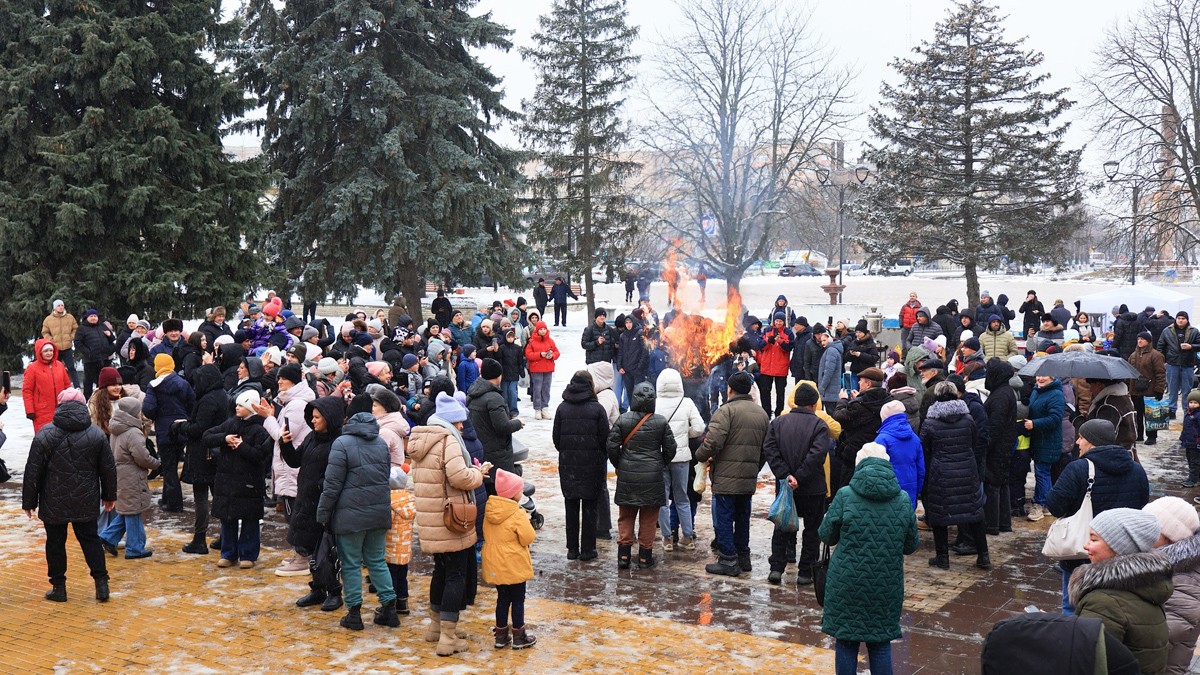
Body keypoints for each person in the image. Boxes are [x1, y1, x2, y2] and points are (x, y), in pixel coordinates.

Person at [820, 445, 919, 675]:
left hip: (847, 583)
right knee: (880, 642)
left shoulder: (845, 495)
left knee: (846, 641)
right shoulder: (903, 499)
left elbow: (826, 535)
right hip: (886, 584)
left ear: (859, 465)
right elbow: (911, 545)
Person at [409, 392, 489, 656]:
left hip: (431, 518)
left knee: (441, 571)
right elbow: (460, 478)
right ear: (450, 422)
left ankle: (435, 627)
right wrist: (478, 473)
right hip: (451, 520)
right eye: (459, 422)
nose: (462, 426)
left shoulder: (421, 440)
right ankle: (448, 636)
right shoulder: (448, 442)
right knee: (456, 574)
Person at [22, 389, 118, 602]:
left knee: (55, 543)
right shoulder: (96, 434)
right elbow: (108, 469)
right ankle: (102, 585)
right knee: (91, 540)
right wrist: (109, 496)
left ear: (60, 406)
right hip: (86, 499)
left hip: (53, 500)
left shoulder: (45, 434)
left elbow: (33, 470)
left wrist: (29, 502)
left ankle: (59, 588)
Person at [1048, 419, 1150, 614]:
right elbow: (1141, 507)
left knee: (1073, 608)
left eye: (1082, 437)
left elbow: (1055, 506)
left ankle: (1075, 642)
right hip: (1122, 556)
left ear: (1092, 441)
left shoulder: (1078, 468)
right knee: (1114, 609)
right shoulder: (1137, 470)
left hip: (1082, 555)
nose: (1078, 442)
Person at [315, 406, 397, 631]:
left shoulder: (341, 444)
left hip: (350, 517)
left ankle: (354, 613)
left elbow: (332, 485)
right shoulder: (381, 444)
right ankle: (389, 607)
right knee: (377, 561)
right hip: (379, 513)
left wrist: (322, 513)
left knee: (351, 564)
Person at [1071, 508, 1173, 674]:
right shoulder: (1145, 585)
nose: (1086, 545)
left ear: (1118, 548)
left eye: (1094, 539)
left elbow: (1085, 661)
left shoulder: (1104, 601)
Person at [697, 372, 769, 577]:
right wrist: (754, 467)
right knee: (743, 516)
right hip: (747, 476)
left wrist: (700, 456)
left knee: (725, 517)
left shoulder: (725, 412)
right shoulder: (761, 414)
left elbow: (713, 442)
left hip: (726, 477)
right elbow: (766, 448)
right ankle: (743, 556)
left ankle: (728, 559)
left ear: (730, 389)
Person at [280, 396, 347, 612]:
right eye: (313, 417)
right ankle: (318, 588)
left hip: (325, 504)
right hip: (306, 502)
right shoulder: (312, 437)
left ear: (330, 418)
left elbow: (338, 474)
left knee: (325, 552)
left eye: (318, 417)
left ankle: (334, 591)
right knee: (310, 548)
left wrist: (321, 485)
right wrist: (286, 443)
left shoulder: (339, 442)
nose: (313, 421)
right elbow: (295, 461)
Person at [763, 382, 830, 585]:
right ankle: (806, 572)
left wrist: (786, 475)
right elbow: (817, 455)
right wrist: (799, 477)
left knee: (782, 526)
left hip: (786, 487)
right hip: (812, 488)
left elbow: (770, 450)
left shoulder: (778, 423)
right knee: (812, 530)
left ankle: (776, 568)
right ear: (813, 404)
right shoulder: (819, 425)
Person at [920, 381, 989, 571]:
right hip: (967, 470)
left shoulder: (930, 422)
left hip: (940, 473)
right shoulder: (968, 419)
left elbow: (924, 448)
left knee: (939, 514)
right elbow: (973, 442)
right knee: (974, 513)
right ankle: (984, 556)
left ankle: (943, 558)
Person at [607, 382, 676, 570]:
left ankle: (623, 557)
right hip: (652, 477)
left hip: (628, 476)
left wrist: (619, 463)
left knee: (626, 516)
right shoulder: (660, 422)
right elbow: (671, 448)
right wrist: (659, 463)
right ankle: (645, 557)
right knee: (648, 518)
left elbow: (612, 446)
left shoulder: (623, 420)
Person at [203, 390, 273, 569]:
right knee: (227, 518)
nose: (237, 407)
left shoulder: (261, 429)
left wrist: (241, 447)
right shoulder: (230, 423)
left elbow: (260, 455)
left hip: (249, 483)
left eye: (241, 405)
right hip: (227, 481)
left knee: (250, 519)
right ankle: (228, 553)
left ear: (250, 407)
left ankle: (248, 554)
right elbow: (207, 436)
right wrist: (224, 438)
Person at [258, 363, 316, 576]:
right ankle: (301, 554)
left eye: (283, 378)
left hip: (292, 469)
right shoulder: (294, 402)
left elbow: (284, 436)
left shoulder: (297, 405)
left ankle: (302, 558)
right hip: (292, 467)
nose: (279, 382)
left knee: (296, 516)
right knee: (295, 513)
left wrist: (268, 418)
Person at [553, 371, 611, 560]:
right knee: (590, 508)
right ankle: (588, 549)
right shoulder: (597, 409)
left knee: (570, 507)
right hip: (592, 466)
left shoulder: (562, 408)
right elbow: (605, 439)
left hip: (569, 467)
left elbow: (557, 439)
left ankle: (572, 549)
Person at [176, 364, 229, 555]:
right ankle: (226, 536)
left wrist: (181, 427)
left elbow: (199, 429)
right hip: (217, 452)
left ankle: (200, 539)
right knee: (219, 496)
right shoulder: (223, 395)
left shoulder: (208, 399)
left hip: (203, 454)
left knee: (201, 498)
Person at [482, 468, 538, 650]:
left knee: (502, 599)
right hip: (514, 564)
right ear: (514, 494)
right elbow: (528, 537)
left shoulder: (490, 511)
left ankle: (500, 636)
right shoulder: (517, 513)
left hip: (496, 563)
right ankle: (519, 637)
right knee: (518, 600)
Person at [98, 397, 159, 560]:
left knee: (127, 510)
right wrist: (156, 464)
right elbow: (142, 457)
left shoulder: (116, 428)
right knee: (133, 511)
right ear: (134, 412)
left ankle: (107, 538)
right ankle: (135, 548)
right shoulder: (133, 432)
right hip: (132, 476)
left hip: (120, 474)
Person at [1145, 496, 1200, 675]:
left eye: (1149, 527)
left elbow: (1165, 634)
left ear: (1170, 536)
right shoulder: (1160, 563)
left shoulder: (1186, 576)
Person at [655, 368, 705, 552]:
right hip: (682, 457)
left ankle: (667, 538)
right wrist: (685, 435)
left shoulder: (655, 403)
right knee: (682, 497)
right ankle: (688, 537)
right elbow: (699, 428)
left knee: (662, 499)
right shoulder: (687, 403)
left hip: (661, 456)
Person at [142, 354, 195, 513]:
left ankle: (174, 503)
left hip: (164, 430)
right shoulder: (183, 383)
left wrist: (160, 415)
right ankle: (167, 498)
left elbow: (148, 409)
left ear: (157, 367)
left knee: (169, 467)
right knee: (172, 464)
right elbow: (192, 404)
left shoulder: (154, 386)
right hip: (182, 428)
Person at [830, 367, 893, 492]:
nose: (858, 383)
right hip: (878, 452)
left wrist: (843, 400)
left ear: (868, 384)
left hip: (854, 454)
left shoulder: (858, 406)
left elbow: (838, 417)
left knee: (848, 490)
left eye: (861, 381)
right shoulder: (888, 401)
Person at [467, 358, 524, 476]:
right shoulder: (494, 398)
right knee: (501, 487)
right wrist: (518, 423)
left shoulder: (473, 393)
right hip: (496, 452)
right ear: (498, 376)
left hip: (481, 448)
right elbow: (502, 426)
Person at [982, 359, 1018, 535]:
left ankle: (992, 524)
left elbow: (995, 426)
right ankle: (1003, 523)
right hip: (1003, 445)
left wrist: (986, 446)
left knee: (993, 484)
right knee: (1001, 484)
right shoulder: (1004, 391)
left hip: (998, 447)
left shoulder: (1000, 395)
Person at [1023, 375, 1064, 523]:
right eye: (1038, 375)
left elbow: (1055, 418)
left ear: (1052, 377)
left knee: (1042, 473)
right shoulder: (1037, 390)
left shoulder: (1056, 394)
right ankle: (1047, 504)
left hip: (1048, 441)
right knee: (1041, 472)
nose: (1040, 379)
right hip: (1038, 439)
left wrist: (1035, 423)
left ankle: (1040, 504)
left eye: (1044, 376)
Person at [874, 400, 923, 510]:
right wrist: (917, 489)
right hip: (910, 490)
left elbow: (876, 470)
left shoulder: (882, 439)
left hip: (889, 492)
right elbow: (921, 469)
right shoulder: (914, 438)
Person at [23, 339, 74, 432]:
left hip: (61, 408)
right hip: (42, 411)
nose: (49, 353)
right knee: (44, 438)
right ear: (40, 352)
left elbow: (67, 386)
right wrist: (29, 410)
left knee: (62, 437)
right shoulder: (32, 368)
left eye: (51, 350)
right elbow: (27, 391)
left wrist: (71, 404)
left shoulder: (59, 365)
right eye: (46, 351)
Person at [1157, 311, 1199, 419]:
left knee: (1186, 390)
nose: (1180, 320)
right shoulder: (1167, 331)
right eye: (1179, 318)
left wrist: (1191, 346)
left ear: (1187, 320)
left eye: (1183, 318)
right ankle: (1171, 410)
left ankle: (1187, 410)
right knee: (1172, 389)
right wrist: (1163, 361)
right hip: (1172, 364)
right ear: (1176, 319)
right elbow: (1160, 346)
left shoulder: (1194, 331)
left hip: (1188, 364)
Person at [1128, 331, 1167, 448]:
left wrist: (1159, 389)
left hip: (1150, 389)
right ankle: (1138, 434)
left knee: (1152, 414)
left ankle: (1152, 436)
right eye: (1138, 338)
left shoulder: (1156, 355)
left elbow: (1160, 373)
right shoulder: (1133, 355)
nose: (1140, 341)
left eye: (1142, 339)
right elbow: (1128, 372)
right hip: (1135, 390)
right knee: (1137, 414)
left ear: (1148, 341)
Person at [756, 312, 793, 418]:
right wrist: (768, 340)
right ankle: (766, 413)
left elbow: (789, 347)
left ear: (784, 322)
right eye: (776, 321)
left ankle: (779, 414)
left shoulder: (788, 332)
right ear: (773, 321)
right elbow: (760, 346)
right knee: (765, 392)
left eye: (780, 321)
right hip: (767, 367)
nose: (778, 323)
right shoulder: (767, 330)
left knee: (780, 393)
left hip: (781, 368)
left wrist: (780, 342)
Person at [75, 309, 116, 399]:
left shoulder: (102, 326)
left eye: (95, 316)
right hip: (90, 360)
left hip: (104, 359)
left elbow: (112, 339)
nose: (93, 318)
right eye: (91, 316)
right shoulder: (82, 328)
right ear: (87, 317)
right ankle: (87, 400)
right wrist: (88, 352)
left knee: (102, 381)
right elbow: (77, 343)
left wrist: (110, 335)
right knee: (88, 382)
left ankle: (102, 399)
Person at [524, 321, 560, 420]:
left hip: (548, 368)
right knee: (537, 389)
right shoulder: (532, 342)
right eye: (541, 329)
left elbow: (557, 352)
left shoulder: (550, 341)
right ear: (537, 330)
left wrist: (552, 355)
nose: (543, 331)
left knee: (546, 388)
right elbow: (528, 354)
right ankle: (537, 409)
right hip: (536, 369)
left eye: (544, 329)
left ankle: (545, 407)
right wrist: (540, 354)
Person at [42, 299, 80, 388]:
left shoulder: (70, 317)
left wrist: (71, 337)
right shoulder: (48, 319)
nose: (61, 307)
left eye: (62, 305)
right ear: (55, 307)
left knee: (71, 368)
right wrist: (51, 340)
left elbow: (75, 329)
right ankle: (55, 386)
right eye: (58, 306)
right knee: (55, 369)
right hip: (55, 349)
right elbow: (45, 332)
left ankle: (77, 386)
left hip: (67, 347)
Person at [617, 315, 649, 404]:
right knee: (630, 394)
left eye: (630, 322)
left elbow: (644, 351)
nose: (628, 325)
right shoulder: (623, 336)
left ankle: (640, 414)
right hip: (627, 370)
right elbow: (620, 352)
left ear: (633, 322)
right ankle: (632, 413)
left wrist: (640, 366)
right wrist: (619, 366)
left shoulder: (640, 333)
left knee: (639, 395)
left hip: (637, 370)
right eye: (626, 323)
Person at [1185, 391, 1200, 489]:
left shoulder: (1198, 415)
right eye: (1191, 402)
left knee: (1195, 462)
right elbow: (1186, 428)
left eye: (1195, 402)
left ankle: (1194, 479)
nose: (1192, 404)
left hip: (1196, 443)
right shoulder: (1188, 413)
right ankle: (1194, 477)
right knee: (1190, 460)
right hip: (1188, 442)